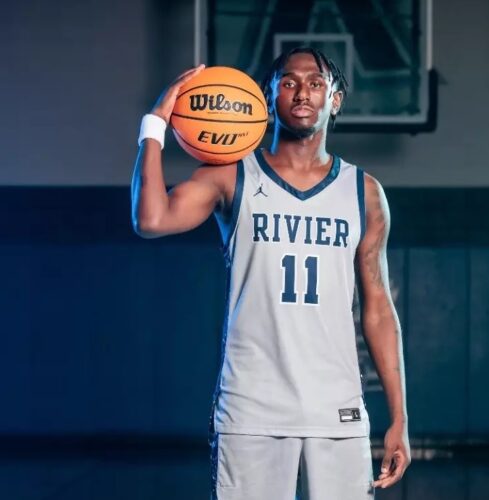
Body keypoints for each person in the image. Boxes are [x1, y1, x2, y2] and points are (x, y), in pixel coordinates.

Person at [131, 47, 410, 499]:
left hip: (335, 408)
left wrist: (399, 417)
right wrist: (155, 125)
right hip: (250, 408)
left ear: (335, 99)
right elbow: (151, 219)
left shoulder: (364, 193)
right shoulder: (230, 176)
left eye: (316, 83)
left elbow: (377, 310)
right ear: (267, 97)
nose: (302, 92)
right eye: (288, 82)